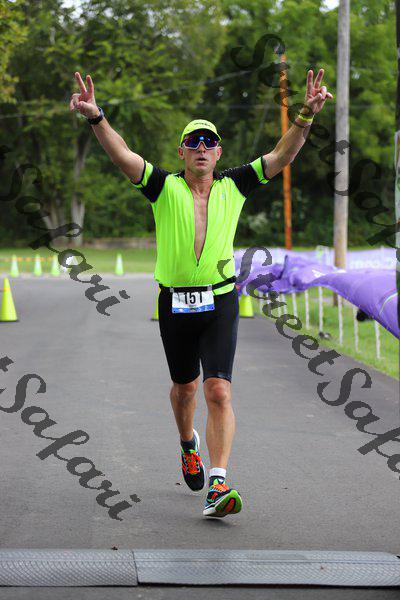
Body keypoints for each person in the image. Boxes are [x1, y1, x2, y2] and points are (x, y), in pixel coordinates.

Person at [70, 69, 332, 518]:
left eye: (210, 142)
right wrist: (97, 117)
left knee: (218, 391)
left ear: (219, 152)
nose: (202, 149)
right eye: (193, 142)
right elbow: (123, 155)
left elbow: (281, 155)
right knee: (184, 388)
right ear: (182, 152)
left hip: (221, 299)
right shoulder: (163, 186)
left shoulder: (235, 184)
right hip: (175, 302)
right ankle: (186, 443)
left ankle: (218, 483)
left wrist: (305, 114)